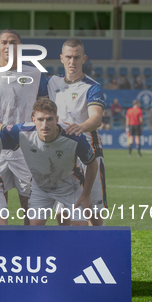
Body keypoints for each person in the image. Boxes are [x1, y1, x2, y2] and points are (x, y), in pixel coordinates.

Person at [0, 29, 48, 224]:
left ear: (20, 46)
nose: (8, 46)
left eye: (13, 42)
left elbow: (45, 109)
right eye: (4, 42)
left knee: (31, 210)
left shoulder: (36, 73)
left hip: (27, 149)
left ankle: (31, 251)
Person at [0, 99, 97, 226]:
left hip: (71, 188)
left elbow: (92, 165)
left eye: (49, 119)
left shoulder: (74, 137)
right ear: (33, 119)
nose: (45, 124)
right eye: (40, 119)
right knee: (35, 229)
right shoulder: (22, 131)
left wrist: (86, 195)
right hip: (41, 188)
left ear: (57, 119)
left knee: (80, 228)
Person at [47, 38, 106, 227]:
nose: (72, 62)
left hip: (88, 154)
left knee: (92, 212)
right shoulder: (51, 83)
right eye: (69, 57)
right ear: (61, 58)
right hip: (60, 155)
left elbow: (96, 117)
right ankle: (70, 254)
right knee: (63, 215)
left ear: (84, 58)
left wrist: (81, 127)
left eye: (77, 57)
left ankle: (100, 251)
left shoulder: (92, 86)